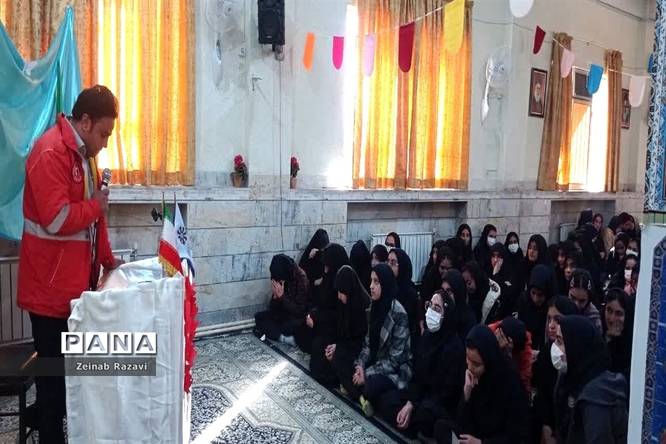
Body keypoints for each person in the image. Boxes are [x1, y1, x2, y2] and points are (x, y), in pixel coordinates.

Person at [17, 85, 124, 443]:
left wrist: (107, 260)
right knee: (53, 384)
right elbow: (57, 218)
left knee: (68, 380)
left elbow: (95, 220)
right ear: (85, 121)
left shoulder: (83, 156)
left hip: (73, 291)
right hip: (48, 294)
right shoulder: (50, 152)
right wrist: (95, 206)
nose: (105, 143)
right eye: (104, 134)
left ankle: (56, 427)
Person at [387, 290, 465, 439]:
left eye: (437, 308)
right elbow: (418, 376)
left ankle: (410, 422)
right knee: (388, 399)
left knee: (425, 415)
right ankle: (408, 421)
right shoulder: (427, 336)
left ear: (447, 315)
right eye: (430, 305)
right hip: (420, 396)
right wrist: (410, 403)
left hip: (438, 402)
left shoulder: (455, 348)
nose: (431, 311)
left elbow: (446, 393)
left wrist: (414, 404)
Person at [435, 324, 529, 444]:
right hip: (475, 433)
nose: (470, 367)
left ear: (488, 360)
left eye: (476, 364)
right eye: (468, 359)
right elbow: (461, 421)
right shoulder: (470, 372)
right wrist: (466, 394)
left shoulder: (509, 378)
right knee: (441, 426)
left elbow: (515, 434)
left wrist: (480, 443)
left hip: (494, 440)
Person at [554, 316, 628, 443]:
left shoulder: (595, 397)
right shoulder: (576, 380)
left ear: (576, 346)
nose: (555, 347)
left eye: (560, 341)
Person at [352, 264, 412, 417]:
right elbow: (367, 343)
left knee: (370, 386)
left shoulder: (399, 314)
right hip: (376, 362)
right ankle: (363, 395)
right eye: (371, 281)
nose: (371, 286)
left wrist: (366, 373)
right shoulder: (374, 306)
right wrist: (360, 366)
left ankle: (362, 392)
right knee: (348, 364)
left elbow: (394, 360)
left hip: (395, 369)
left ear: (385, 283)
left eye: (376, 282)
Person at [531, 296, 578, 444]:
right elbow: (542, 394)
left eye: (557, 320)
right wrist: (547, 427)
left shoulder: (578, 355)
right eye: (549, 319)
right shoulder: (547, 353)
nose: (551, 325)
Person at [324, 266, 370, 392]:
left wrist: (338, 348)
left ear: (349, 289)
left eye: (341, 292)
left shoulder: (363, 307)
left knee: (339, 359)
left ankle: (357, 392)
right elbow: (341, 331)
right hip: (345, 345)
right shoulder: (344, 303)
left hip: (360, 351)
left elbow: (362, 341)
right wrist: (335, 346)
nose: (339, 296)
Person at [255, 254, 310, 345]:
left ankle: (277, 334)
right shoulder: (278, 276)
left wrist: (282, 297)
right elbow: (273, 310)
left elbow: (299, 310)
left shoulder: (301, 278)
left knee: (289, 325)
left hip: (296, 316)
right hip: (283, 313)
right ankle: (283, 338)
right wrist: (275, 298)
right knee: (259, 317)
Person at [307, 243, 349, 359]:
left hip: (337, 330)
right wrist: (313, 315)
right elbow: (321, 303)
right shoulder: (328, 277)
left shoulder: (344, 282)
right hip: (323, 320)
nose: (325, 270)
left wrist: (316, 318)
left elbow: (339, 315)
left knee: (319, 347)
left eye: (327, 266)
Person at [388, 248, 420, 354]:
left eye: (393, 263)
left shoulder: (411, 294)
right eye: (388, 262)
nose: (389, 266)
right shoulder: (386, 288)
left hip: (403, 346)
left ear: (402, 266)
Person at [489, 316, 533, 393]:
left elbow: (523, 387)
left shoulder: (524, 347)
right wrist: (496, 348)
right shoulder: (489, 333)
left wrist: (508, 357)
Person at [517, 264, 554, 350]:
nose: (535, 299)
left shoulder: (552, 307)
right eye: (533, 293)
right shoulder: (523, 301)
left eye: (540, 295)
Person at [603, 288, 634, 384]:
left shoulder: (632, 345)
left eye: (619, 314)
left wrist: (614, 342)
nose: (612, 319)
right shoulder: (598, 330)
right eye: (609, 310)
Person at [461, 261, 502, 325]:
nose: (467, 287)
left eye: (469, 283)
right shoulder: (468, 295)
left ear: (477, 278)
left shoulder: (491, 301)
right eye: (464, 284)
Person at [441, 269, 477, 340]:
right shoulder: (441, 312)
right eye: (443, 290)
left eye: (449, 291)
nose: (445, 295)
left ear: (457, 291)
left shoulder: (469, 320)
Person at [568, 269, 602, 334]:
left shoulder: (594, 321)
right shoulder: (560, 309)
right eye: (572, 298)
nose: (576, 304)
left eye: (582, 301)